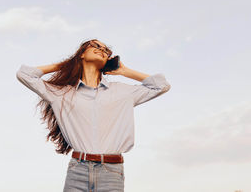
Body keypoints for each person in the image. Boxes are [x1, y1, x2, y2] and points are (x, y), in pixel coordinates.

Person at [16, 38, 171, 192]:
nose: (102, 50)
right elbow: (25, 74)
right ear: (81, 54)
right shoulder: (62, 94)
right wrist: (67, 64)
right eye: (96, 46)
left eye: (106, 50)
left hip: (112, 172)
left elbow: (161, 86)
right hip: (78, 170)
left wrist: (125, 71)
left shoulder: (123, 92)